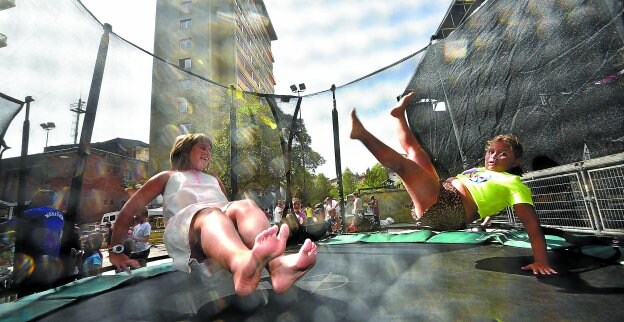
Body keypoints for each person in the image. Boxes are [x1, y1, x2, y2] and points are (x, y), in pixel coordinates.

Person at [349, 92, 556, 276]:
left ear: (516, 161)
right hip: (442, 193)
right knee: (415, 152)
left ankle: (362, 134)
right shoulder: (482, 171)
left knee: (404, 167)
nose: (493, 157)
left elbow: (531, 224)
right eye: (491, 151)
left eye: (503, 154)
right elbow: (487, 196)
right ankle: (399, 116)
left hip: (447, 210)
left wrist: (541, 261)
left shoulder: (514, 183)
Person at [108, 133, 317, 295]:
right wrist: (116, 250)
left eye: (209, 149)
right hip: (186, 233)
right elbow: (128, 211)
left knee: (244, 205)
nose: (208, 152)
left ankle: (277, 267)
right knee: (212, 214)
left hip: (215, 231)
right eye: (202, 147)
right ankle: (241, 266)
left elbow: (228, 207)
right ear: (185, 150)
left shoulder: (214, 179)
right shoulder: (168, 176)